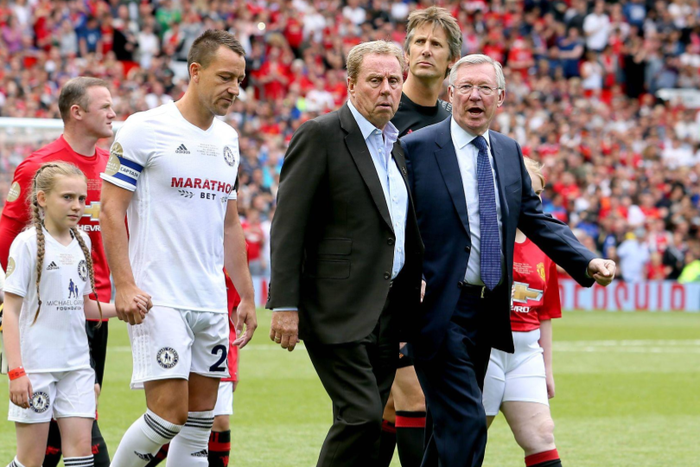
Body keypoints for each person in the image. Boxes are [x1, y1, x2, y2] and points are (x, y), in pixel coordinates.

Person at [400, 54, 616, 467]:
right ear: (450, 94)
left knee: (448, 431)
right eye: (465, 87)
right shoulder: (415, 149)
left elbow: (534, 218)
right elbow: (394, 222)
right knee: (465, 422)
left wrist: (587, 262)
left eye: (485, 88)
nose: (474, 96)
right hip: (436, 309)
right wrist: (403, 283)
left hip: (488, 311)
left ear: (500, 98)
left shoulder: (507, 150)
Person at [100, 29, 256, 467]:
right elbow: (111, 209)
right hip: (158, 296)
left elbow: (229, 223)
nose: (234, 89)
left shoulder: (228, 140)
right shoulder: (144, 128)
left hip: (208, 298)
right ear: (195, 71)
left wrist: (244, 293)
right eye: (225, 77)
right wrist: (124, 285)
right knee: (169, 414)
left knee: (200, 424)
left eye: (240, 80)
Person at [266, 40, 423, 467]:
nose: (387, 89)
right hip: (335, 307)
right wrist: (284, 303)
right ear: (351, 85)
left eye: (394, 80)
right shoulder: (320, 134)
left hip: (389, 311)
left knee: (370, 426)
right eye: (376, 80)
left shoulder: (396, 146)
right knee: (362, 417)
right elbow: (288, 225)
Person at [0, 76, 116, 467]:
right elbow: (8, 233)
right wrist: (28, 291)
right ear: (77, 112)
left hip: (89, 311)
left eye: (82, 198)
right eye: (105, 106)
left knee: (78, 419)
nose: (114, 114)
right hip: (43, 318)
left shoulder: (111, 167)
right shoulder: (39, 167)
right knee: (50, 440)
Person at [2, 162, 148, 467]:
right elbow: (11, 314)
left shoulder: (82, 242)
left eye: (82, 199)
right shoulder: (26, 245)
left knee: (82, 453)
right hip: (37, 368)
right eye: (67, 197)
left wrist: (125, 308)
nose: (77, 206)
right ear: (42, 199)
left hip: (78, 367)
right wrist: (16, 372)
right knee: (31, 460)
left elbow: (84, 307)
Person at [381, 7, 461, 467]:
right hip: (392, 283)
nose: (426, 50)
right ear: (406, 53)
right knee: (414, 399)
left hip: (443, 280)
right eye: (419, 43)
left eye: (436, 44)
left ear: (451, 60)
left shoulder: (458, 118)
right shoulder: (383, 110)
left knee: (389, 407)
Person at [482, 158, 564, 467]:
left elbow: (545, 314)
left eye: (539, 193)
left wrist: (548, 369)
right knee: (468, 436)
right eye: (525, 191)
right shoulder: (483, 237)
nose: (532, 199)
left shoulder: (546, 246)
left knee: (541, 435)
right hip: (485, 347)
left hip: (526, 353)